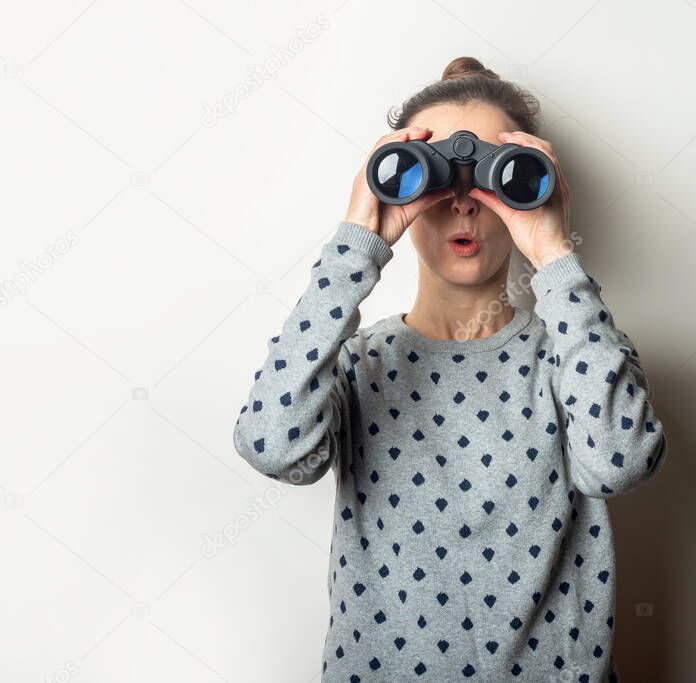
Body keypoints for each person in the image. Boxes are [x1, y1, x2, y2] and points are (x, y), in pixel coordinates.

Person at [232, 56, 667, 682]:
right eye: (432, 178)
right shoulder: (354, 363)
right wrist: (358, 242)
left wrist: (553, 253)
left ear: (533, 185)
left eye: (494, 178)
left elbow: (620, 462)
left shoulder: (571, 357)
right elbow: (274, 445)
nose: (462, 204)